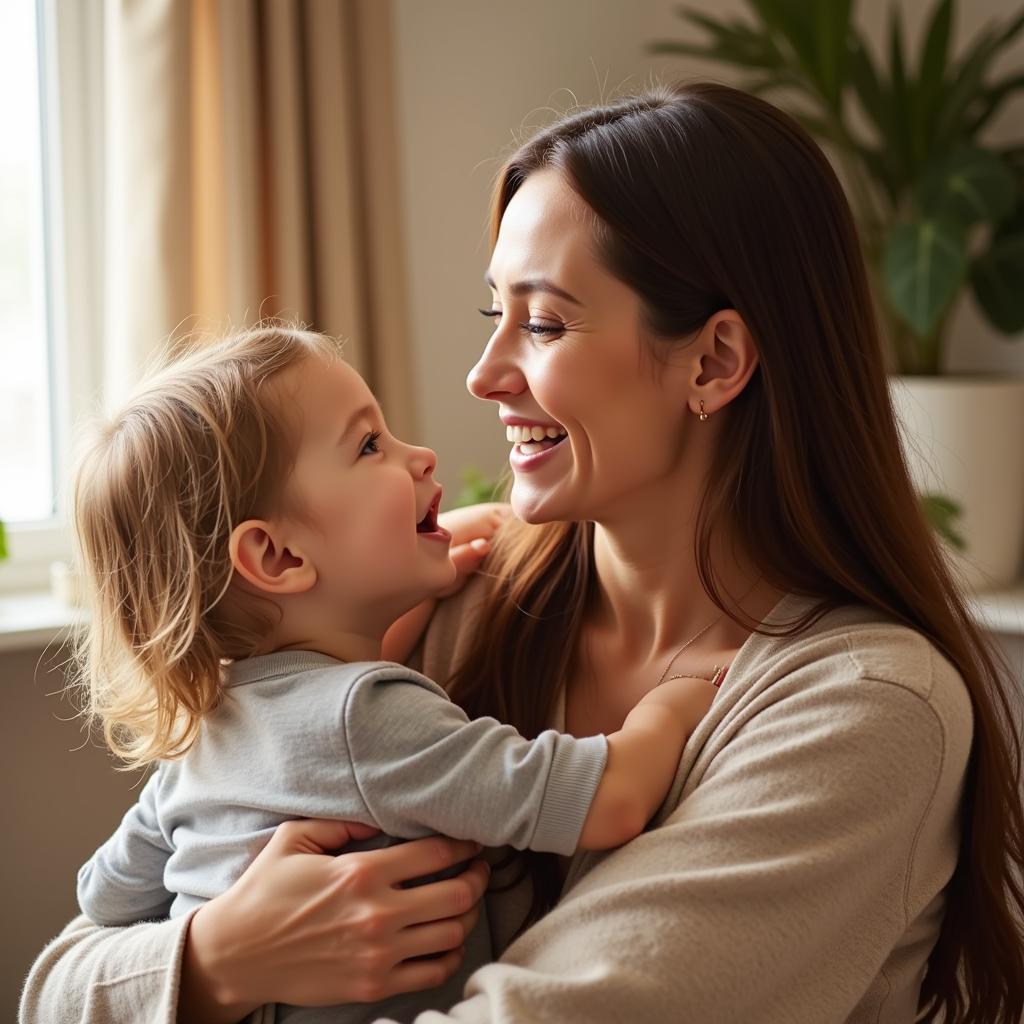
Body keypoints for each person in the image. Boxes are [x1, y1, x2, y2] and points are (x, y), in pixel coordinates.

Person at [21, 81, 1024, 1024]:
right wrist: (214, 961)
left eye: (541, 322)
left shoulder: (861, 708)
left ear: (713, 362)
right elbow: (57, 982)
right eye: (491, 313)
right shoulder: (438, 606)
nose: (482, 373)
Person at [64, 326, 719, 1024]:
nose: (421, 454)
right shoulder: (367, 714)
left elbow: (102, 899)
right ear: (278, 557)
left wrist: (215, 947)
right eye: (370, 444)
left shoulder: (201, 739)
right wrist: (677, 704)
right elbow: (605, 799)